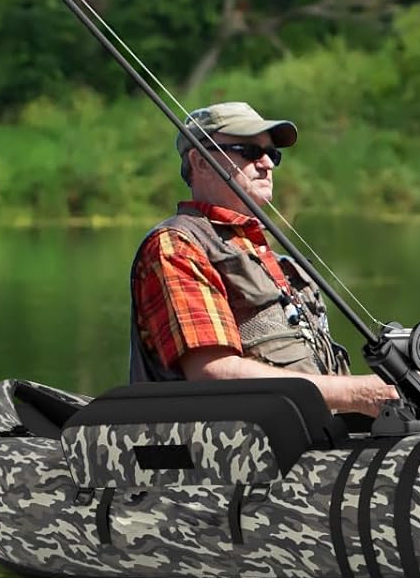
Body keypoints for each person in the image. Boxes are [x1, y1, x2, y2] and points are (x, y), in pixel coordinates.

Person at [130, 101, 400, 417]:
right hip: (232, 455)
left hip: (311, 443)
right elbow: (211, 373)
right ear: (200, 162)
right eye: (249, 151)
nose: (267, 164)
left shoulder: (270, 257)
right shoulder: (177, 247)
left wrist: (392, 388)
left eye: (272, 154)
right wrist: (359, 393)